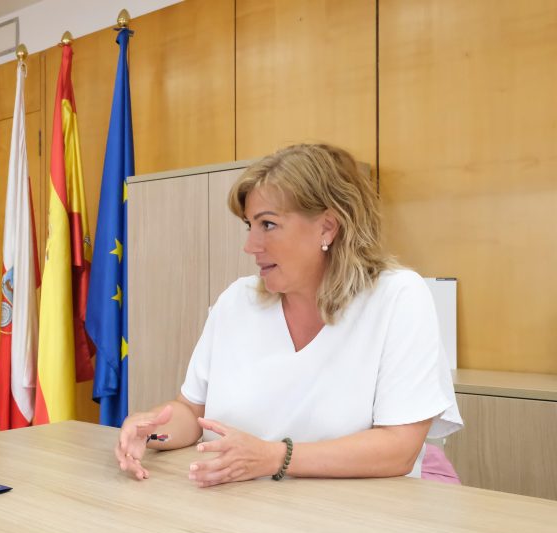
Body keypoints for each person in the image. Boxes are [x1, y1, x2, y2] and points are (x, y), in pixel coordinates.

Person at [115, 143, 462, 486]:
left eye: (267, 225)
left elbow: (398, 448)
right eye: (249, 225)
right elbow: (192, 412)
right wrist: (151, 430)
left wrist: (275, 457)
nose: (250, 245)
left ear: (327, 227)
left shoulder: (397, 298)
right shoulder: (235, 302)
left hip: (358, 522)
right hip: (241, 514)